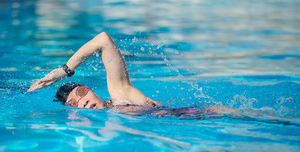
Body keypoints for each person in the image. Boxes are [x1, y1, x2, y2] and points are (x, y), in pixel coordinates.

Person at [27, 32, 231, 117]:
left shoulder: (120, 93)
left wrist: (63, 71)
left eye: (80, 92)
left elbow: (103, 40)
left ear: (90, 90)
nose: (82, 102)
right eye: (73, 104)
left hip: (200, 116)